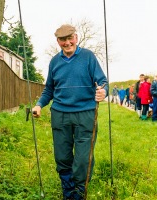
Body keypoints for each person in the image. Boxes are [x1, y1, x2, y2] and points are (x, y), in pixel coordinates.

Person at [32, 24, 108, 200]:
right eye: (62, 40)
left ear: (76, 37)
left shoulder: (88, 57)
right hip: (60, 114)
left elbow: (102, 81)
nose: (67, 43)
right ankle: (68, 191)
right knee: (62, 156)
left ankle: (80, 192)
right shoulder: (54, 62)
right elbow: (49, 89)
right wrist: (38, 105)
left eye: (70, 38)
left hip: (86, 113)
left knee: (83, 158)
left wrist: (102, 91)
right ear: (57, 41)